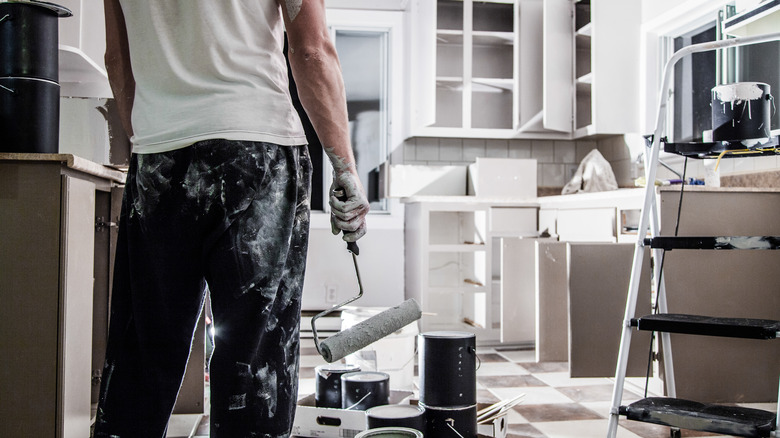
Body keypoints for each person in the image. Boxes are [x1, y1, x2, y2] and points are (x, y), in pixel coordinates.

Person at [95, 1, 370, 436]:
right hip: (256, 149)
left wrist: (154, 138)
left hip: (159, 158)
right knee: (254, 359)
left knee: (143, 353)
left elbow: (117, 58)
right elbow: (311, 50)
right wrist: (346, 167)